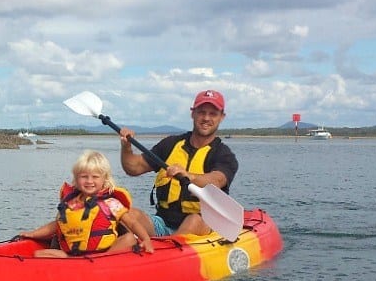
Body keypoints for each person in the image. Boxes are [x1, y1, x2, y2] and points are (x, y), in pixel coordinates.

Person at [118, 89, 238, 237]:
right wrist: (126, 147)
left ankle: (168, 253)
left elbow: (217, 180)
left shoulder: (223, 154)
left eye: (213, 113)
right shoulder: (170, 145)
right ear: (192, 113)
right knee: (127, 214)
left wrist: (190, 176)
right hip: (163, 223)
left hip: (202, 224)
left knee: (193, 221)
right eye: (201, 112)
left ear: (222, 117)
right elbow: (133, 168)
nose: (206, 118)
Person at [19, 150, 154, 258]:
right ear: (77, 180)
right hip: (72, 255)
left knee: (130, 238)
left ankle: (96, 262)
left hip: (103, 254)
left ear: (104, 180)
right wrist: (33, 234)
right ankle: (76, 262)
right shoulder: (70, 203)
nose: (89, 181)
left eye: (95, 177)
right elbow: (56, 226)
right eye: (84, 176)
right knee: (38, 254)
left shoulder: (111, 203)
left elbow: (132, 223)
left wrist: (146, 239)